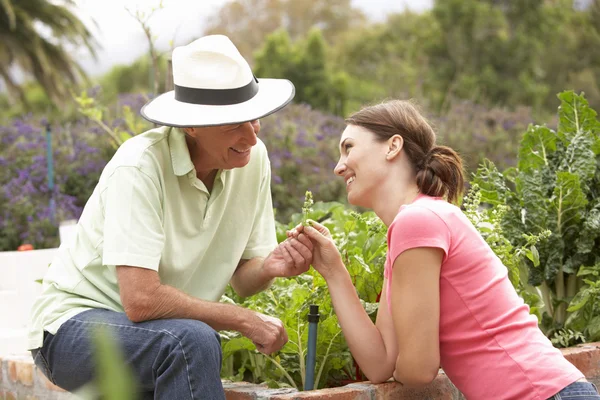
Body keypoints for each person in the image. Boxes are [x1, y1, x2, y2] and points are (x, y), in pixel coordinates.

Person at [27, 35, 314, 400]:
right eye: (234, 124)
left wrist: (270, 266)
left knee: (185, 340)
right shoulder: (139, 166)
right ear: (190, 126)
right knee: (189, 342)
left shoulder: (252, 160)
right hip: (73, 328)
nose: (251, 137)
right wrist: (245, 320)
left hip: (158, 333)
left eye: (254, 118)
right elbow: (141, 300)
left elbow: (244, 280)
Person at [290, 99, 599, 400]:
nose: (338, 167)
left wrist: (409, 359)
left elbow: (418, 370)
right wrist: (332, 270)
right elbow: (381, 364)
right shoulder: (411, 227)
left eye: (348, 148)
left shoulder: (418, 221)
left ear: (392, 146)